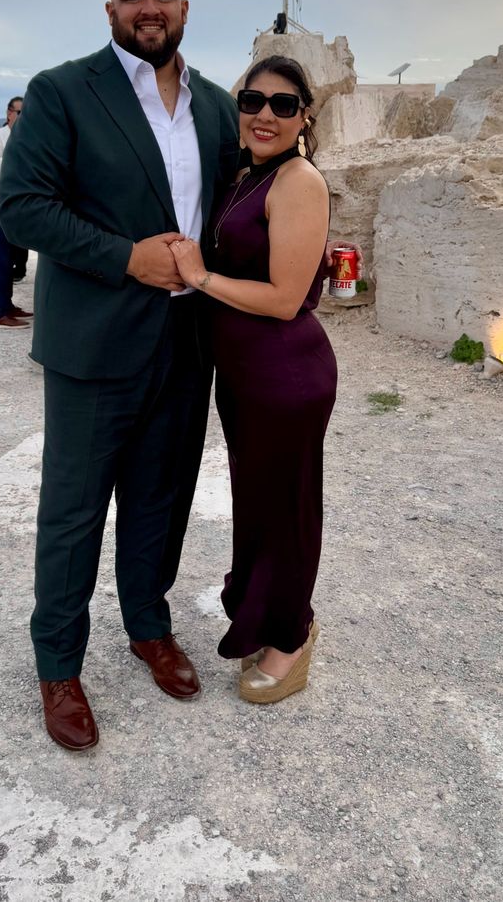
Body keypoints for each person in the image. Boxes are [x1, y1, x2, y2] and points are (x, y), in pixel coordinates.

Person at [0, 0, 239, 751]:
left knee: (160, 499)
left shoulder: (214, 105)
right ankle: (58, 667)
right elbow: (24, 209)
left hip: (185, 342)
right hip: (94, 344)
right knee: (72, 514)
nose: (149, 7)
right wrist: (125, 256)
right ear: (110, 11)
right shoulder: (64, 91)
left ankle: (148, 625)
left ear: (184, 9)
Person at [170, 55, 337, 705]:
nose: (265, 114)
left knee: (286, 510)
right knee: (262, 507)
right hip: (245, 375)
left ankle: (291, 638)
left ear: (304, 118)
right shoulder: (248, 176)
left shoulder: (298, 181)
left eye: (284, 104)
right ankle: (270, 615)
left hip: (284, 374)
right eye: (252, 101)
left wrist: (199, 275)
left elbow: (284, 296)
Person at [0, 96, 32, 328]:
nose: (23, 117)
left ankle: (8, 304)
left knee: (12, 259)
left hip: (18, 209)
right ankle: (0, 311)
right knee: (0, 260)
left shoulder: (28, 137)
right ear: (9, 114)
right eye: (19, 112)